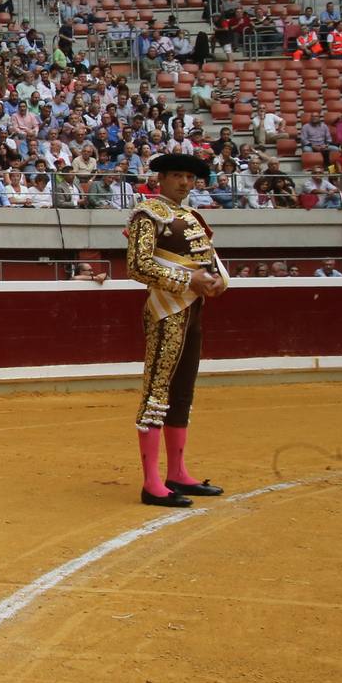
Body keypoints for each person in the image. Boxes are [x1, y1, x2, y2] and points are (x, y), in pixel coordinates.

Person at [125, 153, 229, 508]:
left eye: (189, 177)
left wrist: (217, 282)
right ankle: (152, 482)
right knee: (157, 390)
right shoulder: (147, 214)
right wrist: (189, 279)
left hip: (192, 309)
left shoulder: (192, 217)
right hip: (166, 311)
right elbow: (137, 266)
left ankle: (178, 472)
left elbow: (207, 261)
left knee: (182, 391)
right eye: (177, 176)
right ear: (161, 179)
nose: (185, 182)